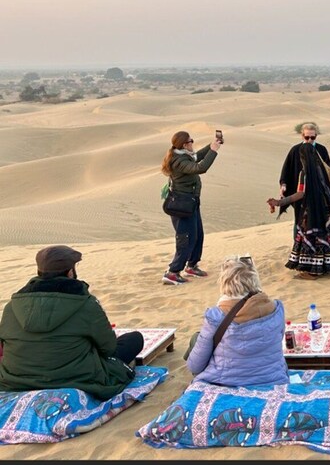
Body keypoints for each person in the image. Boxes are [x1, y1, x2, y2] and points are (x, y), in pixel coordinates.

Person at [0, 245, 143, 401]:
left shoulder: (11, 306)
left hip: (16, 379)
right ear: (70, 272)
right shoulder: (86, 304)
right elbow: (108, 348)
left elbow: (5, 346)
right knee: (134, 339)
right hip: (78, 377)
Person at [185, 255, 289, 387]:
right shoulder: (276, 309)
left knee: (196, 339)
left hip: (224, 382)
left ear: (224, 282)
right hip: (274, 379)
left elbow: (194, 366)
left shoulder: (216, 316)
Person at [267, 142, 330, 279]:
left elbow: (300, 194)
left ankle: (313, 271)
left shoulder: (304, 173)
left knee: (311, 237)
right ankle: (328, 267)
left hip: (315, 211)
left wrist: (279, 202)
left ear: (302, 158)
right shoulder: (323, 168)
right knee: (329, 237)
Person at [161, 130, 221, 285]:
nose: (192, 143)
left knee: (198, 235)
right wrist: (213, 151)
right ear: (184, 144)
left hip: (191, 202)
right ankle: (173, 272)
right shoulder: (178, 161)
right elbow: (200, 168)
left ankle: (192, 265)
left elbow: (198, 157)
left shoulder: (185, 156)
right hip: (181, 205)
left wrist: (211, 145)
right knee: (186, 239)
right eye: (191, 141)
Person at [278, 123, 330, 227]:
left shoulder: (321, 150)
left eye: (313, 137)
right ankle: (298, 243)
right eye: (307, 137)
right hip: (299, 192)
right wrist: (283, 185)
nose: (309, 140)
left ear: (316, 136)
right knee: (300, 219)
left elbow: (329, 170)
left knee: (318, 218)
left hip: (318, 192)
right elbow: (286, 170)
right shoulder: (295, 150)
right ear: (302, 135)